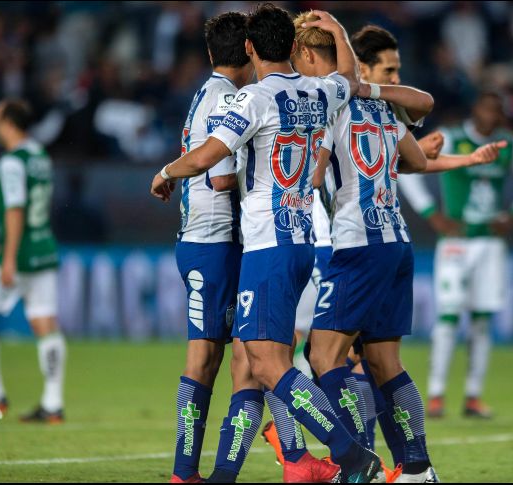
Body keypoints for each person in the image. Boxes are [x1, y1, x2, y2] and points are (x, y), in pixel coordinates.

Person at [151, 5, 380, 482]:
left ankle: (351, 453)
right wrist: (337, 30)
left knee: (268, 364)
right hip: (301, 239)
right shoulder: (320, 91)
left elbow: (209, 160)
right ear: (293, 47)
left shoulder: (252, 99)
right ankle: (280, 463)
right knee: (260, 360)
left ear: (250, 48)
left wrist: (167, 170)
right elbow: (350, 78)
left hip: (264, 245)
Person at [299, 20, 506, 483]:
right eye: (388, 69)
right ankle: (416, 468)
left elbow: (311, 177)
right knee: (383, 362)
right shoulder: (384, 109)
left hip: (357, 244)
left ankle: (357, 465)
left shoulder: (328, 104)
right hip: (396, 243)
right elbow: (414, 159)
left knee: (323, 357)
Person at [398, 91, 513, 419]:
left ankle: (473, 396)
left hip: (490, 243)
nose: (491, 116)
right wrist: (431, 213)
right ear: (475, 110)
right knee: (449, 315)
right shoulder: (452, 138)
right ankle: (436, 394)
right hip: (456, 241)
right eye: (486, 109)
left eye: (496, 111)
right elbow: (407, 167)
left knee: (482, 319)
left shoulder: (508, 145)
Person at [166, 13, 269, 484]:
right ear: (250, 49)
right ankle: (188, 473)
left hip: (209, 241)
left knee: (238, 361)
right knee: (218, 362)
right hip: (215, 242)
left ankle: (201, 474)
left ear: (211, 53)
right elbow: (222, 176)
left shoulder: (206, 93)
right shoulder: (230, 100)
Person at [0, 98, 66, 424]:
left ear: (7, 123)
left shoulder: (11, 161)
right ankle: (53, 404)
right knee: (45, 323)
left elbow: (15, 208)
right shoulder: (39, 156)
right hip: (44, 247)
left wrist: (8, 256)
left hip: (19, 254)